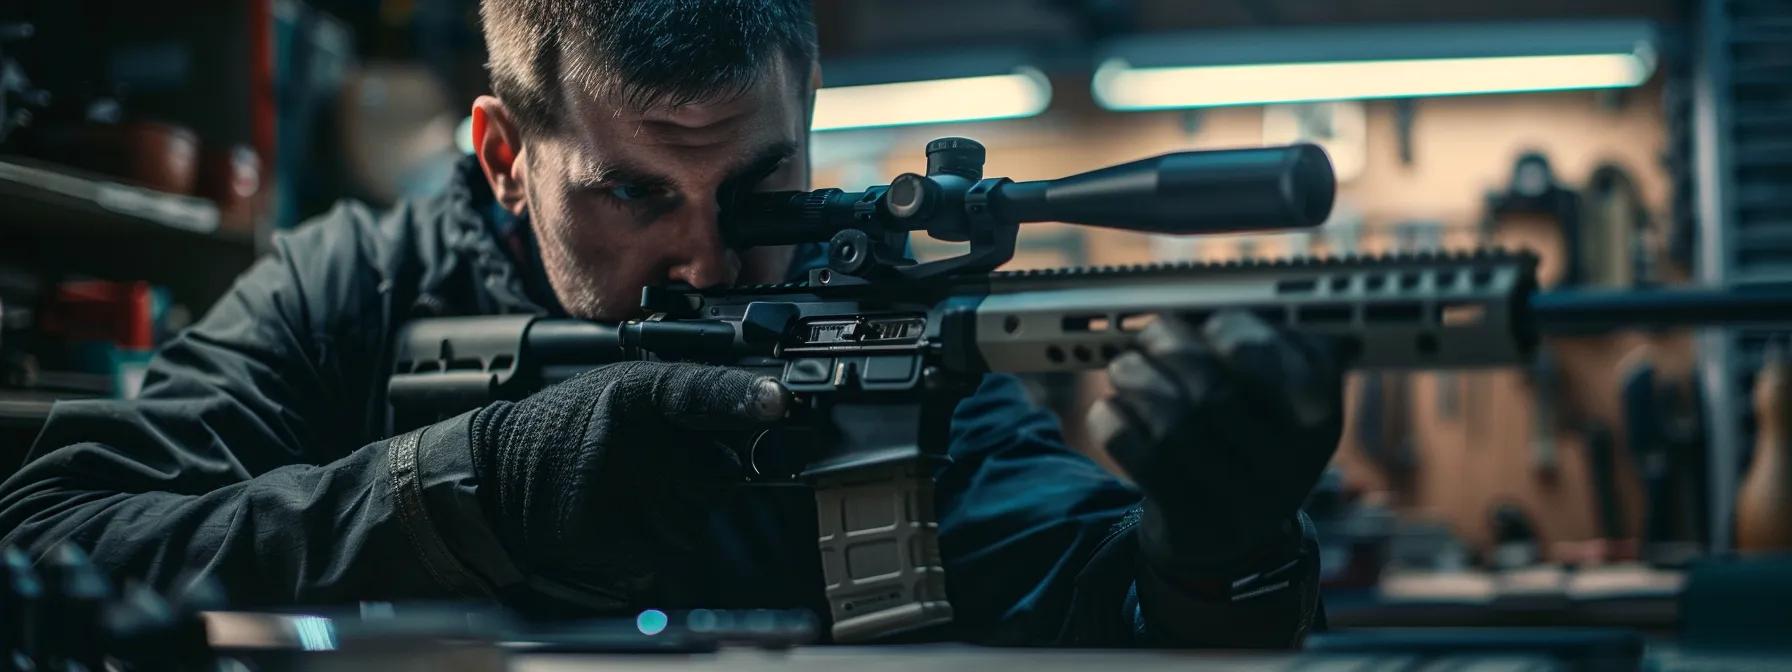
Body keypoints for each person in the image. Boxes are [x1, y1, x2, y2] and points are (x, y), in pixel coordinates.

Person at [0, 0, 1343, 647]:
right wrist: (473, 490)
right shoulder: (351, 294)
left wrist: (1218, 549)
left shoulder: (863, 310)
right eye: (636, 196)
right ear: (500, 155)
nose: (708, 261)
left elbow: (1099, 590)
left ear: (809, 118)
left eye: (763, 189)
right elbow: (48, 543)